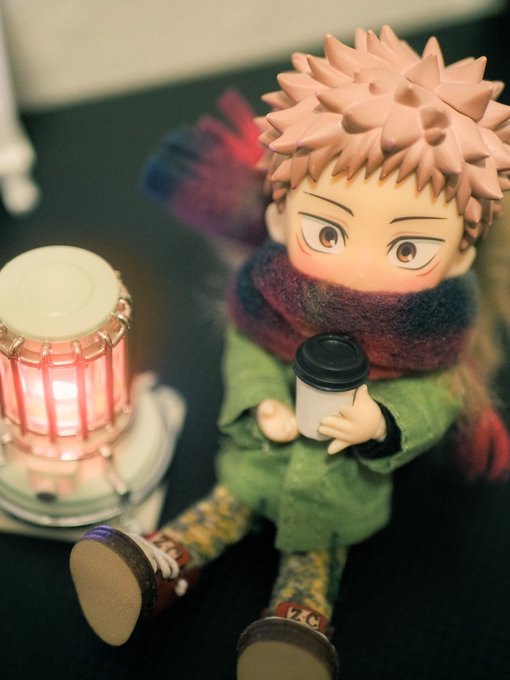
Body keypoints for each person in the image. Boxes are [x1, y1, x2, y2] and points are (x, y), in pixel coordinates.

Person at [69, 26, 510, 680]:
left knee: (315, 557)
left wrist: (381, 423)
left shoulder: (432, 341)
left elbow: (436, 398)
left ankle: (295, 628)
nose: (359, 268)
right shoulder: (267, 299)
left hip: (341, 492)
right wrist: (262, 403)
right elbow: (248, 352)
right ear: (279, 217)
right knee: (219, 510)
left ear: (460, 255)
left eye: (407, 248)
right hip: (257, 460)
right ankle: (151, 568)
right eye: (328, 231)